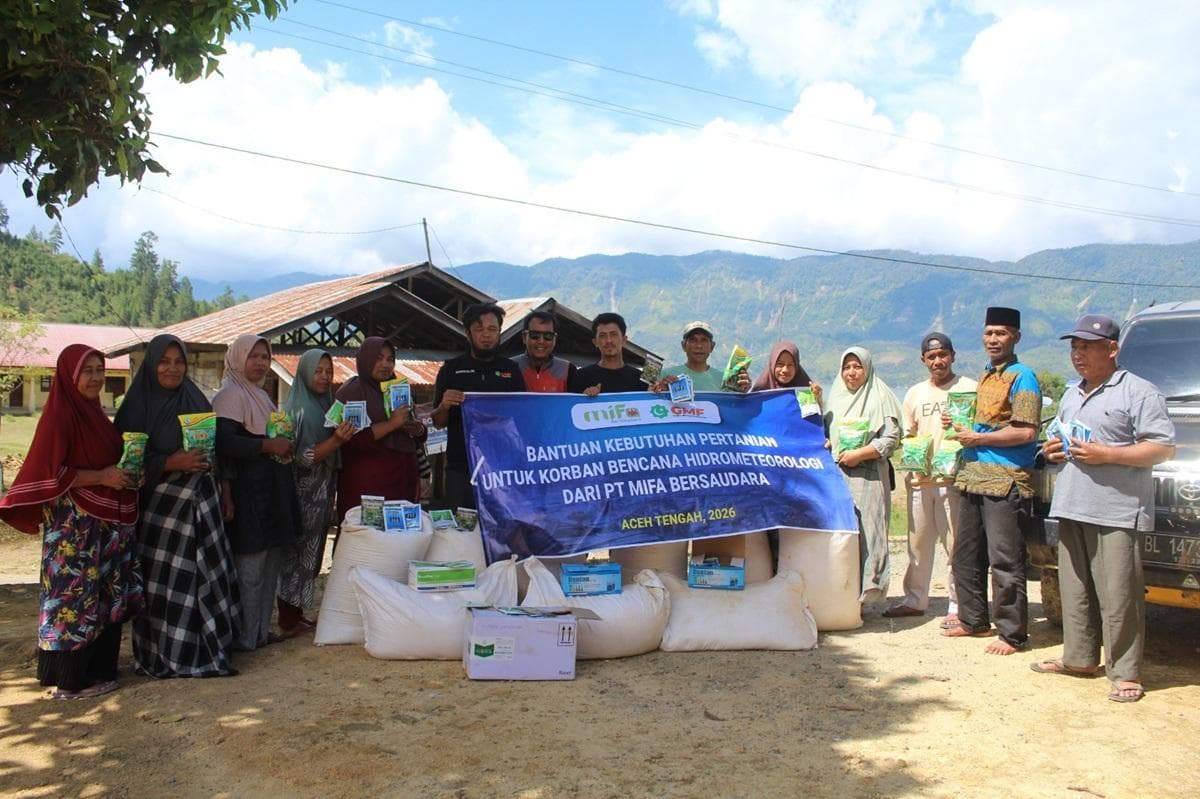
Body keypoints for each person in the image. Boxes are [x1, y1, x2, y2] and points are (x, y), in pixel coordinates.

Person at [1033, 314, 1174, 703]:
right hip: (1071, 503)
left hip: (1116, 509)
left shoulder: (1138, 392)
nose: (1078, 354)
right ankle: (1078, 659)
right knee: (1074, 589)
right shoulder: (1070, 393)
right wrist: (1052, 449)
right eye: (1074, 347)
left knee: (1119, 594)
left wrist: (1107, 454)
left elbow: (1162, 447)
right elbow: (1060, 441)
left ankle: (1125, 673)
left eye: (1088, 346)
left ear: (1112, 349)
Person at [0, 344, 142, 699]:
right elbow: (51, 472)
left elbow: (109, 464)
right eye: (87, 371)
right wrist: (100, 478)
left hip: (105, 525)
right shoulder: (60, 417)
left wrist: (124, 477)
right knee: (73, 599)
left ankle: (95, 672)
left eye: (100, 369)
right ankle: (71, 680)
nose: (96, 378)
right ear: (69, 375)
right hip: (74, 528)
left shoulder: (95, 414)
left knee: (102, 596)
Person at [114, 334, 239, 677]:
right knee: (165, 585)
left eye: (179, 361)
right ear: (152, 364)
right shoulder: (137, 407)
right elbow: (127, 460)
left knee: (204, 577)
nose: (172, 368)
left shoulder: (195, 397)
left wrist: (225, 492)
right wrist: (171, 462)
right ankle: (165, 653)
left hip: (203, 505)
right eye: (164, 361)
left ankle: (206, 648)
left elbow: (216, 451)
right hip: (160, 513)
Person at [942, 306, 1041, 655]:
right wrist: (958, 428)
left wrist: (979, 439)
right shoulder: (986, 375)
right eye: (989, 333)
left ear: (1016, 337)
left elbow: (1027, 431)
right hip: (971, 475)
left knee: (1004, 558)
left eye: (1001, 333)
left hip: (1006, 479)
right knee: (966, 554)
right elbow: (983, 425)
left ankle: (1012, 633)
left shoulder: (1022, 376)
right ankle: (973, 620)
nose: (994, 339)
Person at [213, 334, 301, 651]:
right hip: (248, 494)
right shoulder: (230, 395)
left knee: (268, 567)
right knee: (249, 570)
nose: (261, 362)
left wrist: (282, 448)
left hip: (270, 492)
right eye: (254, 356)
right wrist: (267, 445)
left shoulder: (260, 396)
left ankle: (260, 633)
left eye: (265, 356)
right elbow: (224, 444)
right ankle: (244, 636)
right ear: (238, 358)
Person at [884, 333, 976, 623]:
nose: (938, 361)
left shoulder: (969, 389)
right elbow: (908, 435)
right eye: (932, 357)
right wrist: (913, 464)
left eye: (943, 355)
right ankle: (915, 599)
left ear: (953, 355)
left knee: (955, 545)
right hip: (920, 482)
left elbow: (980, 430)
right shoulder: (914, 393)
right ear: (923, 360)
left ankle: (957, 604)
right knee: (917, 545)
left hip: (955, 481)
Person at [278, 349, 355, 635]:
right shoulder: (300, 409)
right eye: (318, 371)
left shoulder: (324, 405)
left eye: (328, 371)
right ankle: (287, 616)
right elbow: (303, 457)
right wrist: (336, 441)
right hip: (303, 492)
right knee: (297, 553)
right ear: (304, 373)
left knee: (311, 552)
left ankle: (295, 613)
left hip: (322, 490)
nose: (324, 377)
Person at [824, 346, 902, 604]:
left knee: (871, 532)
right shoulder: (835, 397)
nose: (851, 373)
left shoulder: (880, 396)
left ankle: (868, 594)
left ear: (867, 368)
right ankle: (842, 592)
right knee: (843, 534)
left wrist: (860, 454)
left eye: (857, 367)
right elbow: (826, 433)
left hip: (869, 476)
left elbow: (891, 438)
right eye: (847, 367)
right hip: (839, 475)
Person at [433, 303, 526, 509]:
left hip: (502, 468)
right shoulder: (451, 370)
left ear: (499, 332)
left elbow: (522, 417)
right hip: (461, 469)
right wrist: (444, 406)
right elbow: (438, 422)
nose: (486, 335)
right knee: (461, 534)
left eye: (492, 329)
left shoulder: (511, 370)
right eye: (479, 329)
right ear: (468, 333)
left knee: (501, 532)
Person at [335, 337, 427, 523]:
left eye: (390, 359)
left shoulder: (400, 389)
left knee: (399, 543)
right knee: (366, 543)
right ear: (365, 359)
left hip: (403, 482)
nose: (385, 364)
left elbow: (419, 435)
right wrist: (391, 424)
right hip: (367, 486)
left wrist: (416, 429)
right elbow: (350, 441)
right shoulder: (351, 393)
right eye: (378, 358)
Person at [569, 312, 645, 395]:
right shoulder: (581, 376)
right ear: (595, 342)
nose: (609, 340)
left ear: (624, 340)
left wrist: (657, 392)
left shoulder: (640, 379)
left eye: (614, 335)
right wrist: (584, 398)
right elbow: (571, 405)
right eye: (602, 335)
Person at [662, 321, 750, 392]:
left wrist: (743, 390)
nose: (699, 345)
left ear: (712, 347)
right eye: (693, 340)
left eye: (704, 340)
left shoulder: (725, 382)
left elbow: (734, 406)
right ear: (683, 346)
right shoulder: (666, 376)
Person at [514, 310, 576, 392]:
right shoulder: (509, 367)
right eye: (535, 335)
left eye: (548, 336)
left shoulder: (568, 370)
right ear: (524, 337)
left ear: (555, 339)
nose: (541, 341)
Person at [750, 340, 822, 399]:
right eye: (780, 364)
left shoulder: (806, 392)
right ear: (772, 365)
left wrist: (818, 400)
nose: (785, 370)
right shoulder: (759, 394)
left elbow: (814, 415)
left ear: (796, 367)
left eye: (790, 365)